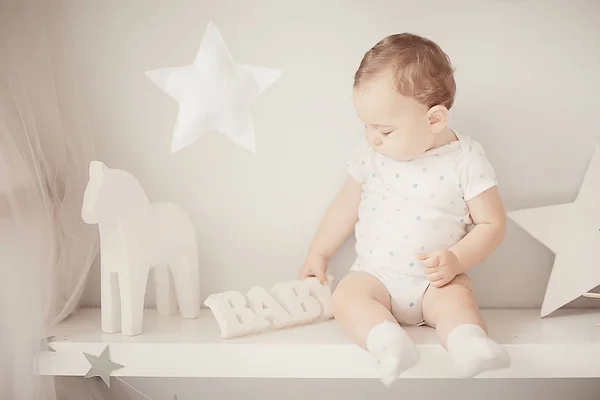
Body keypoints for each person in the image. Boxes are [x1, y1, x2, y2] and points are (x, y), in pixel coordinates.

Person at [299, 33, 510, 386]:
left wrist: (456, 260)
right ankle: (387, 342)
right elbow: (346, 206)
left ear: (434, 120)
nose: (371, 137)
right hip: (375, 276)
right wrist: (318, 253)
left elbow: (492, 224)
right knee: (347, 298)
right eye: (365, 125)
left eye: (383, 129)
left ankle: (468, 344)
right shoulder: (372, 155)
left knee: (458, 302)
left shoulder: (465, 159)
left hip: (435, 282)